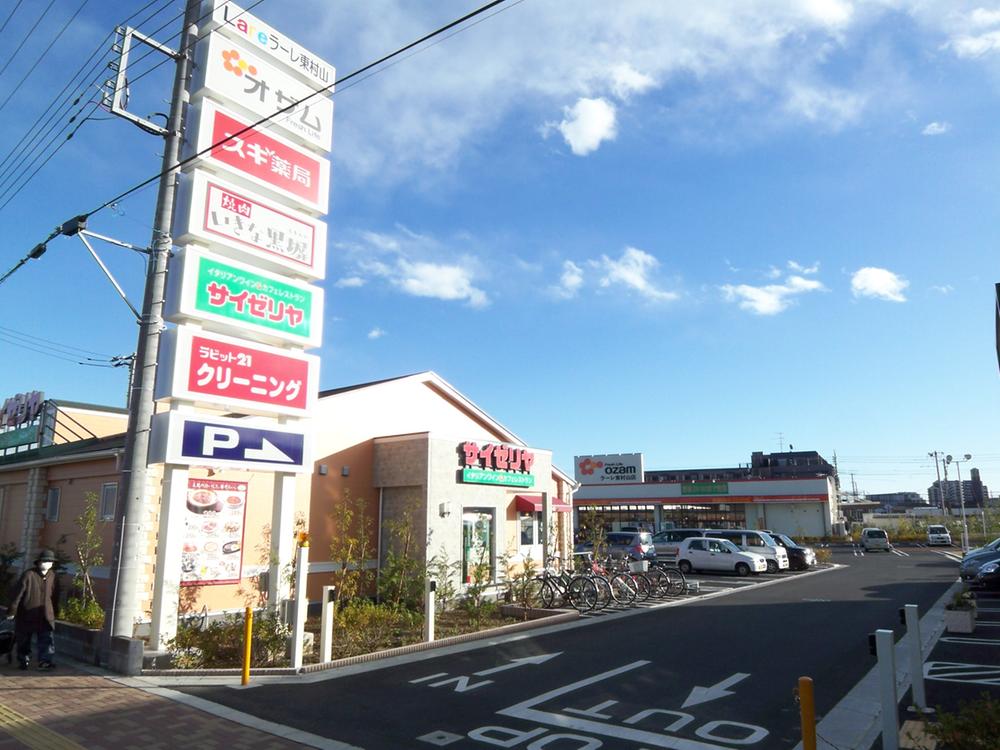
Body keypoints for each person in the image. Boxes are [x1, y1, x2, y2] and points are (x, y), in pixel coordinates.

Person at [8, 549, 59, 670]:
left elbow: (55, 596)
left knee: (46, 639)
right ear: (39, 562)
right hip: (27, 613)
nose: (47, 564)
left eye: (50, 562)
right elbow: (18, 594)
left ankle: (45, 661)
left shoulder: (53, 576)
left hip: (46, 614)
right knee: (24, 639)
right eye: (45, 561)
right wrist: (12, 611)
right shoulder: (29, 575)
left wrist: (55, 611)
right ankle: (23, 659)